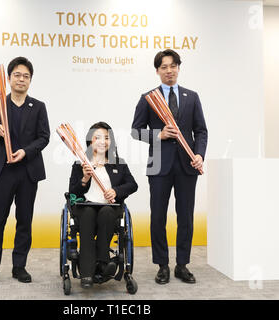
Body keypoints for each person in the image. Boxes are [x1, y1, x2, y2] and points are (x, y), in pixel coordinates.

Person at [131, 49, 208, 285]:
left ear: (178, 68)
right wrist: (159, 134)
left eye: (173, 66)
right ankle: (162, 265)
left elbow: (201, 131)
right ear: (157, 71)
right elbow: (135, 131)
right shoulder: (149, 97)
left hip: (187, 165)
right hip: (159, 166)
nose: (169, 70)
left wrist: (199, 154)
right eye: (164, 67)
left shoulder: (191, 97)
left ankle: (182, 265)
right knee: (158, 217)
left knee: (185, 216)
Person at [0, 56, 50, 285]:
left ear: (30, 80)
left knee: (24, 221)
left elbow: (44, 137)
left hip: (28, 172)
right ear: (9, 78)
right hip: (3, 171)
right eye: (17, 75)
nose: (21, 79)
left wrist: (26, 152)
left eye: (26, 76)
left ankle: (19, 266)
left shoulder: (38, 106)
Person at [68, 122, 138, 289]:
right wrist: (84, 178)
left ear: (110, 141)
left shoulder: (118, 164)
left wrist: (116, 191)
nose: (102, 141)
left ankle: (102, 264)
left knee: (105, 212)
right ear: (90, 141)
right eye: (97, 137)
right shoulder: (81, 164)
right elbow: (72, 193)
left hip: (110, 208)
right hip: (86, 206)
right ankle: (87, 272)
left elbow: (132, 185)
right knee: (88, 214)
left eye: (106, 138)